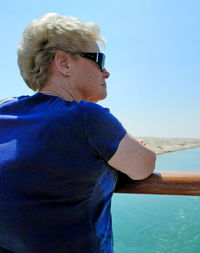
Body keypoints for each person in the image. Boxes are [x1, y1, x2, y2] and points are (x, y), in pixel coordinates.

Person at [0, 13, 156, 252]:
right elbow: (144, 165)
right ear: (64, 63)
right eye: (99, 60)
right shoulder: (86, 117)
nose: (106, 72)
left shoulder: (4, 111)